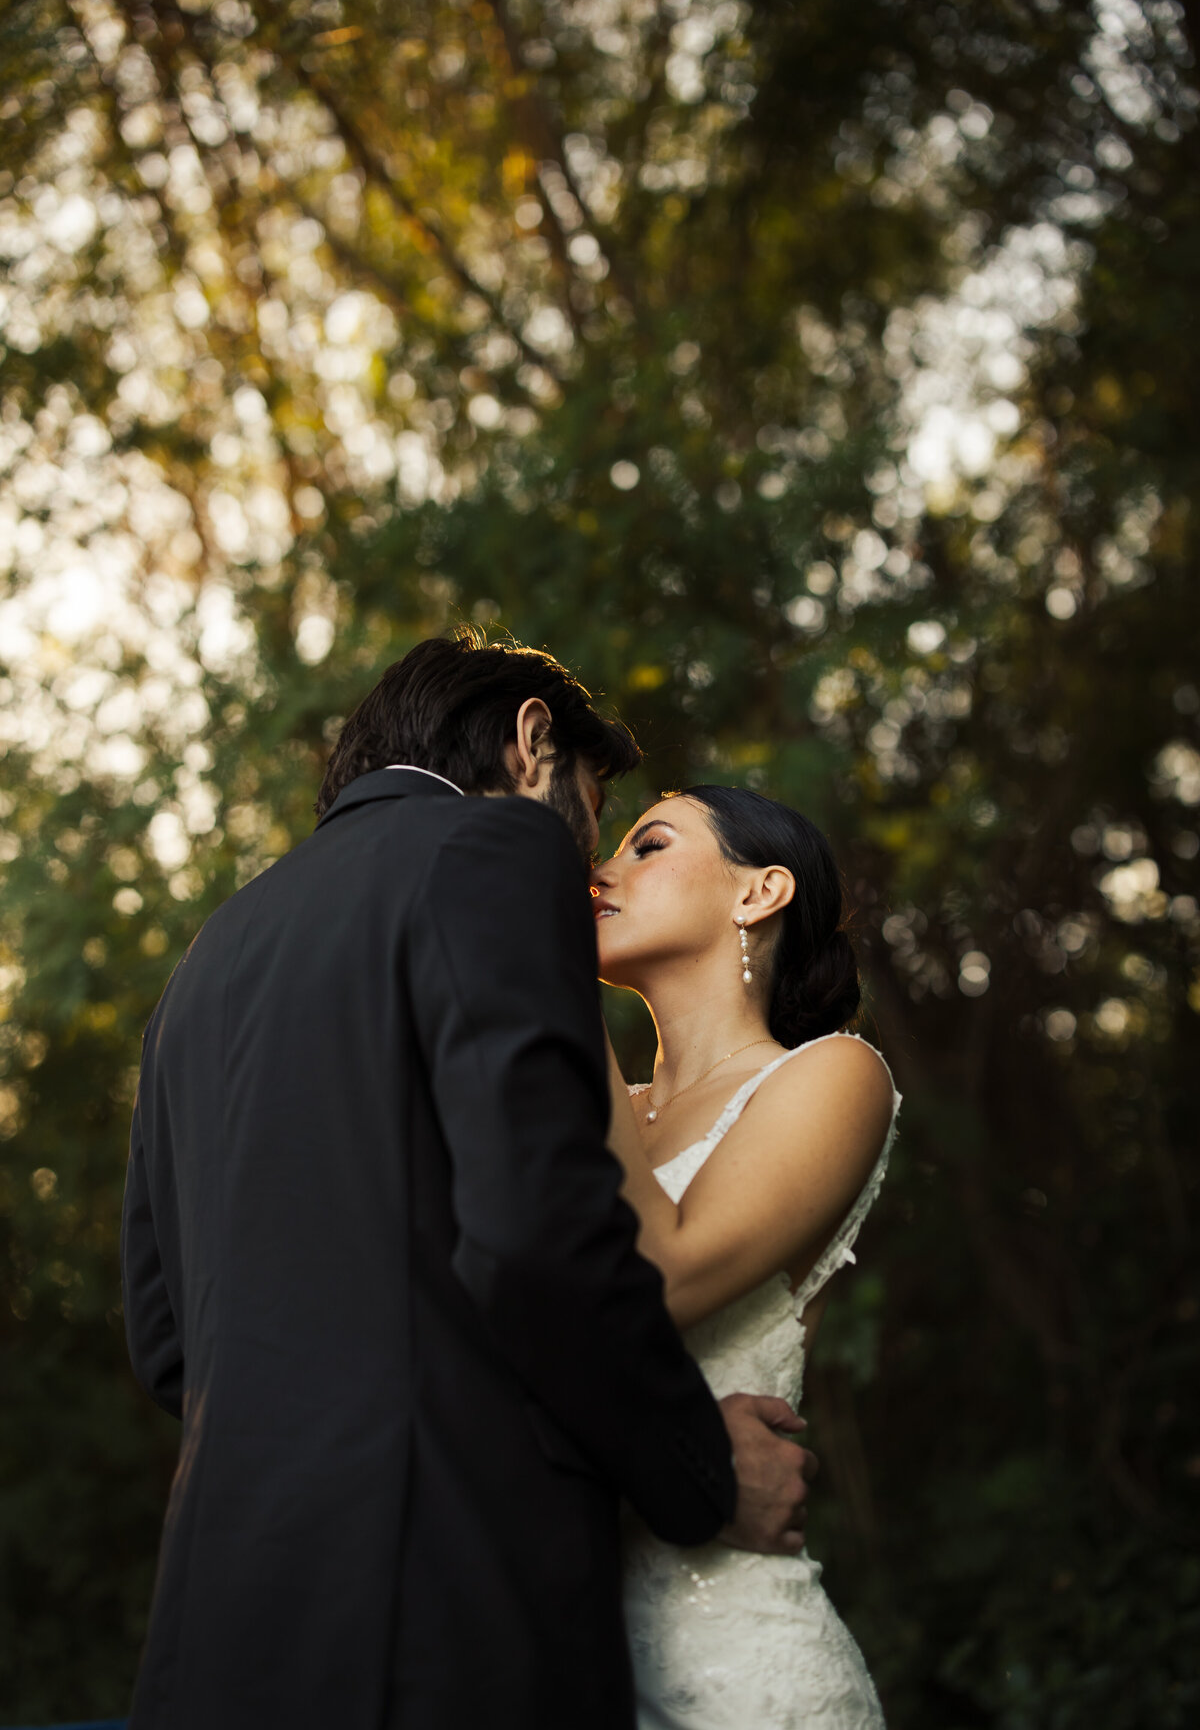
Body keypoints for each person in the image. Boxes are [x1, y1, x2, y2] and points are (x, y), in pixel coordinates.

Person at [120, 630, 815, 1730]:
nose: (586, 867)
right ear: (532, 745)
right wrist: (701, 1472)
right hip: (438, 1609)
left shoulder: (206, 961)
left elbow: (168, 1342)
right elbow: (540, 1233)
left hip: (223, 1628)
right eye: (592, 811)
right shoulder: (495, 849)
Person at [591, 785, 900, 1729]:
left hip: (744, 1681)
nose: (600, 871)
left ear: (759, 892)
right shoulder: (608, 1104)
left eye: (647, 845)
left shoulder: (833, 1075)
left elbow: (654, 1278)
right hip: (568, 1648)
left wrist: (552, 997)